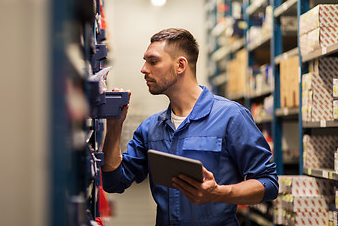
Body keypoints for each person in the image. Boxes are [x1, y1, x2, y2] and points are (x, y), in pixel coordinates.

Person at [101, 28, 278, 226]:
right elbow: (113, 182)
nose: (143, 69)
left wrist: (219, 193)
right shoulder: (151, 128)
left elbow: (268, 184)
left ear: (180, 65)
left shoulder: (231, 117)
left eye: (153, 61)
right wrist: (114, 127)